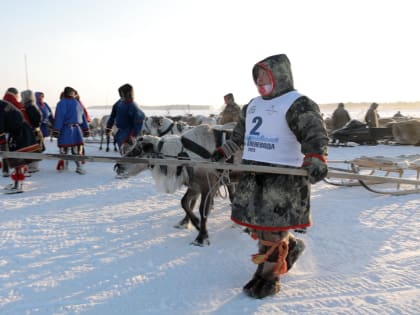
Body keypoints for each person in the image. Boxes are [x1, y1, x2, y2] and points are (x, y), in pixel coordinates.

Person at [211, 54, 329, 299]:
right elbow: (240, 137)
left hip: (283, 177)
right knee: (262, 228)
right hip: (255, 175)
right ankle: (288, 249)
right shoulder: (252, 105)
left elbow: (314, 134)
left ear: (280, 75)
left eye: (265, 75)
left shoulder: (298, 103)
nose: (260, 80)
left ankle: (268, 276)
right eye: (257, 76)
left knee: (273, 230)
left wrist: (316, 157)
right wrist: (224, 151)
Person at [0, 94, 42, 193]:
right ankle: (17, 183)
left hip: (20, 132)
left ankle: (18, 185)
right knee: (16, 159)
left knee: (17, 159)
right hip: (18, 131)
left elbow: (0, 125)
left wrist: (1, 140)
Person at [52, 86, 90, 174]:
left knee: (64, 150)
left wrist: (56, 129)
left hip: (66, 129)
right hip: (76, 129)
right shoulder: (77, 103)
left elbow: (59, 117)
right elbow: (83, 117)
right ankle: (79, 167)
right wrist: (85, 129)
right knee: (76, 150)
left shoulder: (61, 103)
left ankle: (65, 167)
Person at [106, 84, 145, 155]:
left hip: (128, 134)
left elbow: (139, 122)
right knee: (123, 155)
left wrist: (132, 136)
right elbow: (112, 116)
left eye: (122, 94)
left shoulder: (133, 106)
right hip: (120, 133)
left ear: (127, 93)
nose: (120, 96)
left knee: (128, 158)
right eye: (120, 94)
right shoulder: (119, 103)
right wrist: (108, 127)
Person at [20, 90, 43, 173]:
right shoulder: (32, 106)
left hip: (32, 131)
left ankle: (33, 166)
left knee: (32, 147)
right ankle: (31, 166)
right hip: (33, 130)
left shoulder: (30, 107)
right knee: (31, 147)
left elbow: (36, 119)